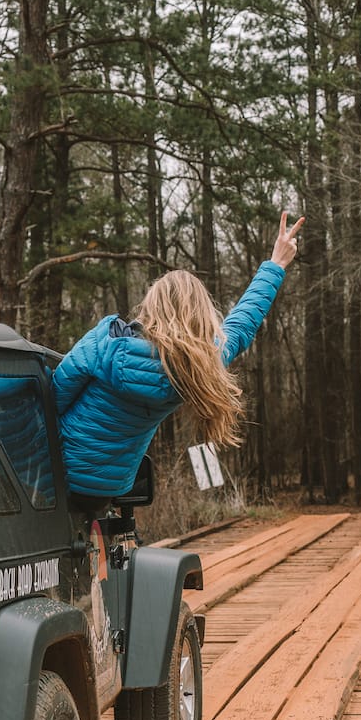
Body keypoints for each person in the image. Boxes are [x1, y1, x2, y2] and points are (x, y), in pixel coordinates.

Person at [52, 211, 305, 509]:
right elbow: (241, 323)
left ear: (152, 303)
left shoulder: (104, 343)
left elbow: (52, 400)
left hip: (57, 478)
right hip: (108, 490)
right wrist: (275, 265)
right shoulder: (198, 367)